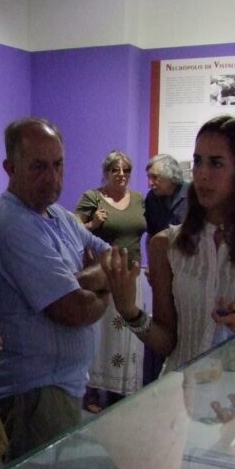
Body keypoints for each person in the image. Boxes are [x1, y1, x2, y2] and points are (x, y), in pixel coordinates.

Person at [102, 115, 235, 375]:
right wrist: (130, 312)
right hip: (180, 392)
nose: (202, 174)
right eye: (198, 161)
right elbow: (168, 342)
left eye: (216, 163)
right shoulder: (166, 245)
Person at [0, 118, 110, 460]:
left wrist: (83, 280)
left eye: (58, 164)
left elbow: (114, 257)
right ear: (10, 167)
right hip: (33, 394)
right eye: (39, 166)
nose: (52, 177)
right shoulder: (13, 225)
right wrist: (107, 289)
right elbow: (74, 310)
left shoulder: (59, 217)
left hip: (60, 386)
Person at [75, 150, 146, 411]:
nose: (121, 174)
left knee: (128, 334)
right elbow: (73, 231)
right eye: (115, 169)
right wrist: (93, 223)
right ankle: (93, 392)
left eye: (126, 169)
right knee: (101, 336)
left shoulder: (138, 199)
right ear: (105, 172)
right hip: (104, 276)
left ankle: (121, 390)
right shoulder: (92, 198)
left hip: (131, 275)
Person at [142, 153, 189, 383]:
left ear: (171, 177)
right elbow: (151, 235)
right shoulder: (152, 199)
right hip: (162, 270)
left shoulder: (193, 196)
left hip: (187, 271)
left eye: (154, 177)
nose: (150, 183)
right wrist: (153, 264)